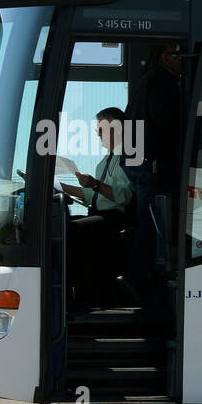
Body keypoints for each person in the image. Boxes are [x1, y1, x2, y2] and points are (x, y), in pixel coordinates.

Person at [121, 44, 184, 315]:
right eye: (180, 56)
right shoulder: (162, 81)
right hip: (150, 164)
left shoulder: (146, 81)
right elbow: (167, 120)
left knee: (145, 221)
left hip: (137, 161)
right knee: (153, 224)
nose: (184, 63)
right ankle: (138, 277)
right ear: (165, 56)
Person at [59, 107, 133, 308]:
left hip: (115, 218)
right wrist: (60, 187)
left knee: (73, 230)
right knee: (61, 225)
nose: (97, 134)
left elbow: (123, 196)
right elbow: (93, 195)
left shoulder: (128, 158)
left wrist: (94, 184)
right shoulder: (103, 163)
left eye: (101, 128)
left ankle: (79, 299)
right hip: (100, 214)